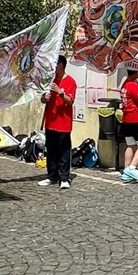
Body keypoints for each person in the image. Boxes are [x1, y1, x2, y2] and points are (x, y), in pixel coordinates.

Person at [39, 55, 77, 189]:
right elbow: (42, 100)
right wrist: (45, 97)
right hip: (50, 121)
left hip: (63, 123)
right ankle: (52, 176)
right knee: (51, 151)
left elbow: (70, 101)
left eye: (56, 64)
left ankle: (64, 178)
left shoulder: (70, 81)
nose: (54, 68)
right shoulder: (50, 80)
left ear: (62, 65)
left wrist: (60, 92)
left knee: (64, 152)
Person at [118, 67, 138, 183]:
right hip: (136, 119)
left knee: (131, 145)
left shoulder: (125, 84)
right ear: (135, 72)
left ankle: (127, 170)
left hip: (127, 120)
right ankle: (132, 167)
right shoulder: (132, 84)